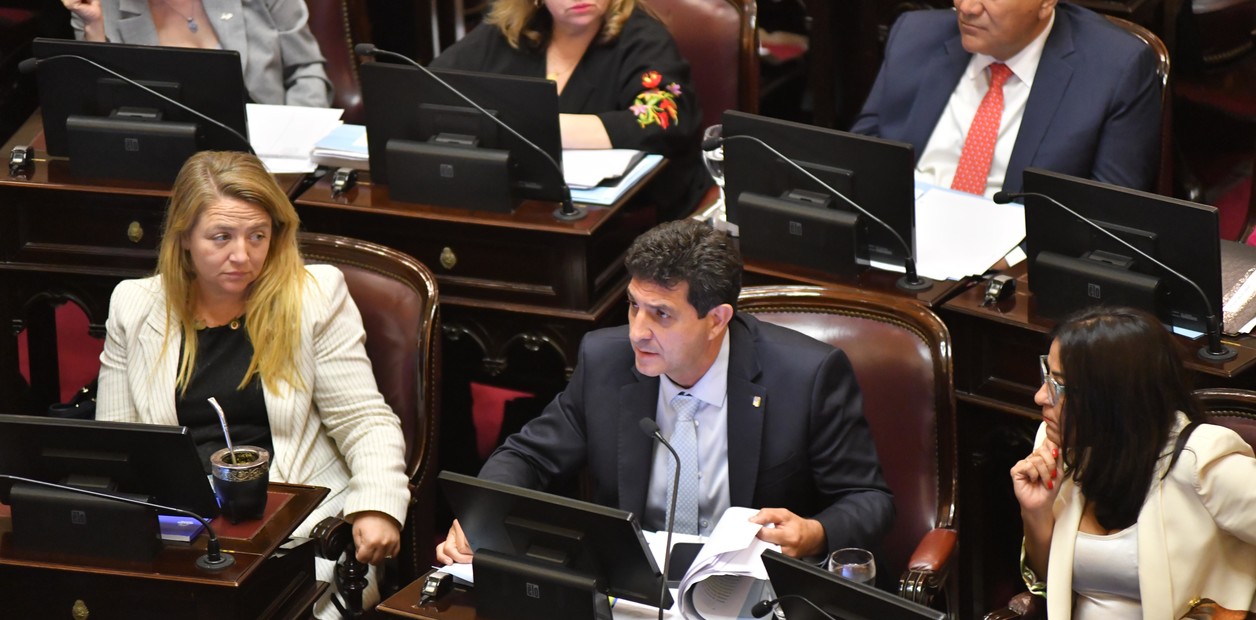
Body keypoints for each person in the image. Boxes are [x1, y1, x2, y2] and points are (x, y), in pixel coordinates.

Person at [436, 219, 894, 565]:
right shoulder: (605, 361)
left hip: (753, 588)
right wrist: (482, 517)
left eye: (661, 315)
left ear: (716, 320)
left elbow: (869, 499)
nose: (638, 331)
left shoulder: (806, 376)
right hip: (634, 585)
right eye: (633, 306)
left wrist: (813, 533)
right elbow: (528, 457)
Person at [95, 151, 407, 616]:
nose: (242, 255)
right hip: (181, 529)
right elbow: (116, 444)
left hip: (296, 529)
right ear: (183, 237)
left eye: (257, 235)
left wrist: (378, 505)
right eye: (221, 237)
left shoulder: (314, 296)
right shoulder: (135, 305)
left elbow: (364, 419)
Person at [1011, 307, 1256, 618]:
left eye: (1058, 386)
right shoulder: (1055, 446)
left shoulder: (1202, 461)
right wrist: (1036, 513)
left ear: (1111, 397)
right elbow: (1052, 586)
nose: (1040, 397)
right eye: (1047, 376)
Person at [850, 0, 1161, 198]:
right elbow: (858, 159)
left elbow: (1109, 216)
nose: (967, 8)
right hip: (903, 245)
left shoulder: (1116, 67)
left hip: (1016, 269)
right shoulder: (914, 35)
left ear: (1046, 3)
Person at [430, 0, 706, 219]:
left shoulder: (645, 37)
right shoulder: (507, 31)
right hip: (523, 209)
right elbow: (429, 87)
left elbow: (663, 118)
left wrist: (536, 127)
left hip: (633, 219)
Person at [61, 0, 332, 107]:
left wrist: (296, 141)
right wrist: (93, 27)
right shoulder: (100, 9)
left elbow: (306, 68)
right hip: (169, 168)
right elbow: (102, 110)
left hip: (272, 162)